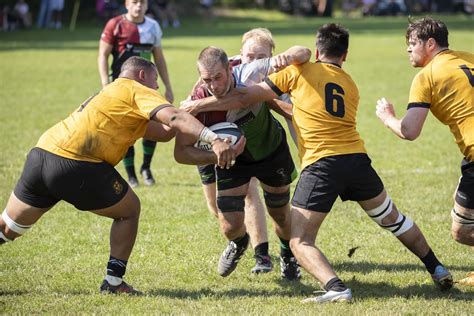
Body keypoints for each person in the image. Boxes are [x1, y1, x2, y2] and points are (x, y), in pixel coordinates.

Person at [181, 23, 454, 303]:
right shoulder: (350, 84)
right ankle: (437, 266)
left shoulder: (297, 72)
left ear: (316, 51)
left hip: (322, 165)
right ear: (344, 56)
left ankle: (335, 287)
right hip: (358, 161)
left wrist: (195, 106)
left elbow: (243, 96)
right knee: (393, 219)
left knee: (298, 240)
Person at [0, 56, 242, 295]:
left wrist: (192, 102)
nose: (157, 88)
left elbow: (167, 131)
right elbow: (175, 118)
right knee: (129, 211)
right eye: (155, 81)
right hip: (77, 163)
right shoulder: (135, 89)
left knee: (9, 228)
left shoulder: (112, 93)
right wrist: (215, 140)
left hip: (42, 154)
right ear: (142, 76)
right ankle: (113, 282)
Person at [176, 45, 311, 279]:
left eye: (218, 77)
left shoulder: (249, 72)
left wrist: (286, 57)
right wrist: (215, 153)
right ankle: (239, 242)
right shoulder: (194, 104)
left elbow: (304, 51)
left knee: (279, 213)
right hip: (232, 162)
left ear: (230, 68)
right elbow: (180, 153)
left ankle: (287, 255)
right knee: (229, 226)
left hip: (270, 150)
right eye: (207, 80)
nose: (214, 85)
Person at [375, 17, 474, 285]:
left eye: (412, 43)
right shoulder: (468, 57)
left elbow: (409, 131)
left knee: (463, 231)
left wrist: (387, 117)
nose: (408, 49)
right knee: (460, 203)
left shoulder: (427, 76)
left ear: (430, 43)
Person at [98, 0, 174, 188]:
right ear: (127, 4)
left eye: (142, 2)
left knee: (153, 128)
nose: (138, 5)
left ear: (147, 5)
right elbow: (102, 55)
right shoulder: (115, 25)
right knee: (127, 130)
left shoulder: (153, 26)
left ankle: (146, 168)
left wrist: (168, 86)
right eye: (134, 2)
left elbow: (159, 58)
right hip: (121, 89)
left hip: (147, 89)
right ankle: (131, 175)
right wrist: (105, 83)